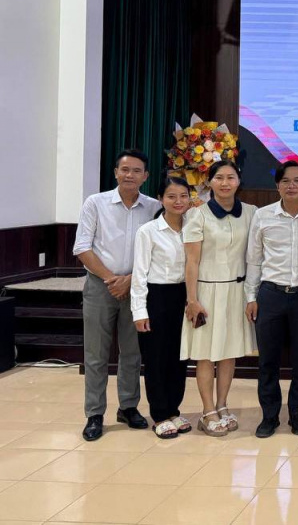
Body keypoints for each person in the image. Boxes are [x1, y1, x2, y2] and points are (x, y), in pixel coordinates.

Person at [74, 149, 162, 441]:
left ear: (145, 176)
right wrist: (112, 279)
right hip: (101, 286)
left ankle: (128, 407)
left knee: (132, 352)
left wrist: (130, 281)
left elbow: (160, 251)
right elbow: (82, 247)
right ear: (115, 172)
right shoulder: (95, 203)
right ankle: (94, 413)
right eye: (125, 170)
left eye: (137, 171)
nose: (130, 175)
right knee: (96, 354)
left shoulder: (153, 208)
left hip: (137, 286)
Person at [180, 160, 257, 436]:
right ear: (209, 182)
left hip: (237, 291)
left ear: (239, 181)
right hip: (206, 292)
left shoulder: (251, 212)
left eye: (231, 177)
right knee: (205, 354)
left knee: (228, 352)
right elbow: (191, 261)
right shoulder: (197, 215)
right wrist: (192, 299)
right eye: (219, 177)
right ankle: (207, 410)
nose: (225, 183)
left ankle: (223, 404)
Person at [245, 160, 298, 438]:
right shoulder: (263, 215)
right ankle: (269, 416)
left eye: (297, 180)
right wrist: (251, 296)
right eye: (286, 181)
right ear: (277, 185)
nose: (291, 186)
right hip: (270, 294)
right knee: (268, 360)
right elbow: (254, 259)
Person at [131, 176, 193, 439]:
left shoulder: (194, 227)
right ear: (160, 199)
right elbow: (139, 274)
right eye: (171, 196)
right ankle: (159, 415)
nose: (178, 201)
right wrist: (139, 311)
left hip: (185, 296)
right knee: (156, 358)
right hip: (157, 297)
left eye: (183, 196)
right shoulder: (148, 231)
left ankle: (174, 410)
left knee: (179, 357)